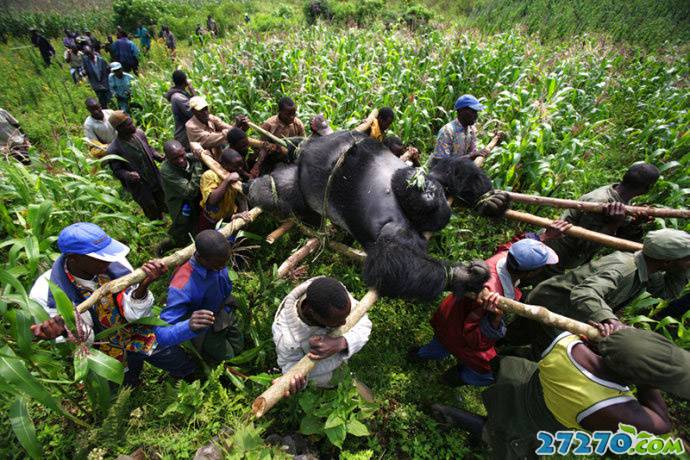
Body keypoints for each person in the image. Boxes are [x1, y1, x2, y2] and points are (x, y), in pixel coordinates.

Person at [432, 325, 688, 460]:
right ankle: (446, 413)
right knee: (502, 438)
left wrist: (618, 343)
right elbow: (662, 424)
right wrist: (647, 382)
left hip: (519, 380)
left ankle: (451, 377)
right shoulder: (612, 407)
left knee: (492, 378)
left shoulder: (568, 342)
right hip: (533, 421)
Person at [29, 222, 197, 386]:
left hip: (136, 333)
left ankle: (193, 377)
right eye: (99, 257)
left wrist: (144, 285)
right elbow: (84, 342)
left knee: (174, 358)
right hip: (104, 353)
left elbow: (134, 313)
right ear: (73, 258)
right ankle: (131, 385)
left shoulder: (115, 264)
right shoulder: (47, 293)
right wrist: (67, 331)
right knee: (123, 382)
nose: (108, 262)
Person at [409, 228, 567, 387]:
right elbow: (474, 340)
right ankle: (453, 377)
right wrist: (495, 319)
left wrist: (542, 237)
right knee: (490, 372)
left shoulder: (502, 258)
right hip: (457, 332)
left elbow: (512, 246)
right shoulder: (494, 297)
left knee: (439, 344)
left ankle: (420, 354)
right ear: (530, 273)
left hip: (449, 312)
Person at [527, 228, 690, 352]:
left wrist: (684, 269)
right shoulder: (624, 269)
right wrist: (611, 321)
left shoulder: (648, 269)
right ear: (667, 263)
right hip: (549, 306)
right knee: (531, 348)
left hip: (565, 311)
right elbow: (584, 292)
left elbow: (667, 292)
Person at [539, 162, 661, 281]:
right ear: (646, 189)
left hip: (562, 256)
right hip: (552, 253)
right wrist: (614, 223)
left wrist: (635, 222)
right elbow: (585, 243)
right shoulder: (600, 202)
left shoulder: (620, 196)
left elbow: (621, 232)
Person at [155, 230, 244, 363]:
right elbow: (161, 335)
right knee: (230, 358)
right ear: (202, 258)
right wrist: (188, 326)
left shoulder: (217, 255)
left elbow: (230, 233)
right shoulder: (182, 286)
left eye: (226, 262)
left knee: (239, 346)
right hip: (208, 328)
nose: (223, 267)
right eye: (219, 264)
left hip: (226, 311)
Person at [273, 276, 372, 392]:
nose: (345, 322)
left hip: (340, 365)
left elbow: (364, 323)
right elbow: (288, 366)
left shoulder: (334, 293)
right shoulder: (286, 337)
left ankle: (346, 379)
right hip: (319, 381)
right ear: (313, 313)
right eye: (337, 321)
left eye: (346, 316)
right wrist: (298, 380)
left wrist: (342, 343)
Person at [106, 111, 167, 220]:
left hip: (153, 176)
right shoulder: (114, 149)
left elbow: (148, 148)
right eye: (129, 125)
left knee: (163, 199)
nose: (133, 126)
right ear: (120, 129)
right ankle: (158, 225)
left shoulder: (139, 134)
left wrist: (158, 156)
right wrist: (128, 175)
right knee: (150, 207)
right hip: (140, 185)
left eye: (131, 122)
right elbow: (117, 170)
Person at [159, 140, 204, 254]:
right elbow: (189, 191)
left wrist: (201, 156)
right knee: (181, 227)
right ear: (167, 158)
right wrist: (198, 165)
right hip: (178, 203)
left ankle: (191, 243)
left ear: (184, 150)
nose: (180, 160)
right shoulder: (166, 170)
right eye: (175, 158)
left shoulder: (189, 157)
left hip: (193, 201)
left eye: (181, 155)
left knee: (194, 225)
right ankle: (168, 245)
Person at [199, 148, 245, 229]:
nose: (240, 168)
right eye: (236, 165)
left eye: (241, 164)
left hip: (228, 219)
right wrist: (227, 181)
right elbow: (212, 201)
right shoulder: (209, 175)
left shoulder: (234, 175)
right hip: (211, 221)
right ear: (223, 164)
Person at [433, 94, 487, 161]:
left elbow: (474, 151)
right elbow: (442, 163)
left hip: (461, 169)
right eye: (473, 112)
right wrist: (470, 156)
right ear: (461, 111)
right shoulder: (447, 131)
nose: (476, 115)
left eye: (476, 112)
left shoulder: (471, 129)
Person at [185, 96, 231, 160]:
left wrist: (235, 127)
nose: (205, 112)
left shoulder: (210, 117)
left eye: (206, 108)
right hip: (204, 159)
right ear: (193, 111)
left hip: (216, 154)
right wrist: (230, 132)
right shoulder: (191, 126)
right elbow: (209, 139)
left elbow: (223, 125)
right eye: (201, 110)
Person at [164, 70, 195, 148]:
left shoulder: (180, 94)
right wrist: (192, 90)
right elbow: (196, 112)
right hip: (185, 136)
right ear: (185, 81)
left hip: (187, 134)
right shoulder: (178, 97)